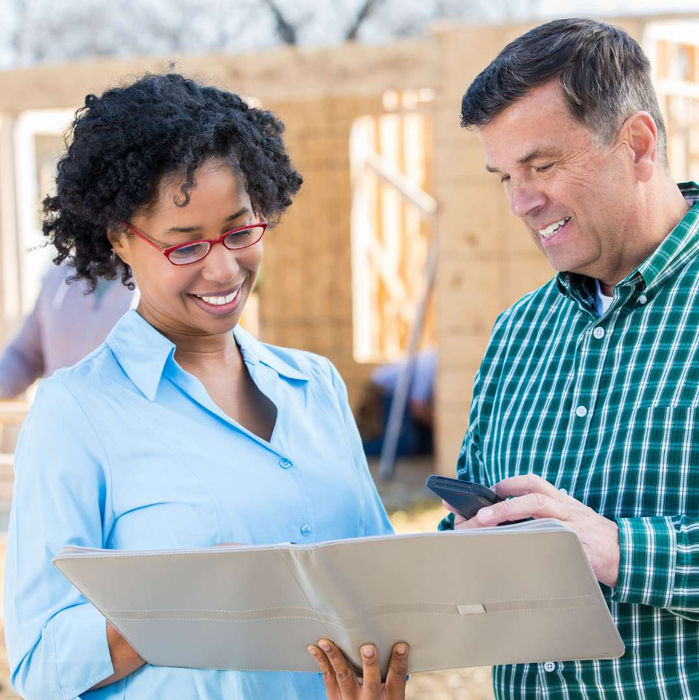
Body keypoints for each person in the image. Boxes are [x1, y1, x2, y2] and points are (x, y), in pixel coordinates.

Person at [4, 73, 408, 700]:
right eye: (184, 245)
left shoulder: (315, 387)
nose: (223, 268)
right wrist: (179, 603)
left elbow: (384, 600)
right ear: (120, 240)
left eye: (240, 231)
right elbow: (40, 666)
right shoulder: (76, 413)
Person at [439, 18, 699, 700]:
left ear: (637, 144)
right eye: (505, 177)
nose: (522, 203)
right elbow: (468, 535)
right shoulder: (516, 333)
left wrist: (616, 549)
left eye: (542, 166)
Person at [0, 263, 134, 399]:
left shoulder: (147, 283)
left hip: (119, 416)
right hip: (56, 415)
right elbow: (24, 356)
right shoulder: (56, 277)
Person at [359, 348, 436, 458]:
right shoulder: (429, 367)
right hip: (384, 390)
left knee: (423, 442)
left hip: (401, 394)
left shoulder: (432, 361)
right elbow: (417, 408)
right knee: (403, 444)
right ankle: (357, 450)